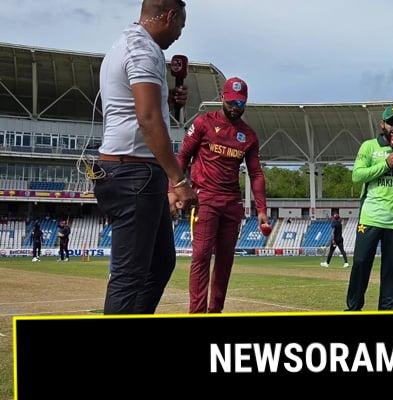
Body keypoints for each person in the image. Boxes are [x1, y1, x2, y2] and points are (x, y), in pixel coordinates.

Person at [94, 0, 196, 314]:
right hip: (133, 174)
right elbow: (148, 120)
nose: (179, 34)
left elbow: (136, 106)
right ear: (169, 16)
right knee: (130, 277)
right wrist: (178, 179)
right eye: (180, 24)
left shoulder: (126, 43)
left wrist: (167, 98)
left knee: (160, 264)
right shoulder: (144, 51)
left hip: (126, 171)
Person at [177, 76, 268, 313]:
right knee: (201, 256)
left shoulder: (248, 135)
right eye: (231, 103)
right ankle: (197, 312)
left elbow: (256, 173)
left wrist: (261, 210)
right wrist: (176, 189)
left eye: (240, 104)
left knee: (225, 261)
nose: (235, 108)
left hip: (232, 204)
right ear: (222, 99)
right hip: (205, 198)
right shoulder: (204, 123)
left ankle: (215, 310)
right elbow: (182, 157)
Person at [346, 104, 393, 311]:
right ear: (383, 124)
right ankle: (353, 308)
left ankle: (388, 310)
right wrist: (386, 164)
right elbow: (357, 176)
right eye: (391, 122)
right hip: (370, 217)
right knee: (361, 263)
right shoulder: (369, 146)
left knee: (392, 271)